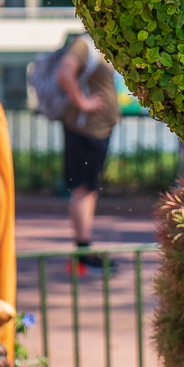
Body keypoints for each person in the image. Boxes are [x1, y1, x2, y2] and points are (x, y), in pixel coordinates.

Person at [55, 32, 121, 271]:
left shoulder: (99, 43)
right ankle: (83, 250)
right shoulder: (84, 44)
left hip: (96, 129)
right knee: (84, 188)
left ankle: (84, 249)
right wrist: (83, 102)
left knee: (87, 188)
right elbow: (64, 72)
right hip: (85, 128)